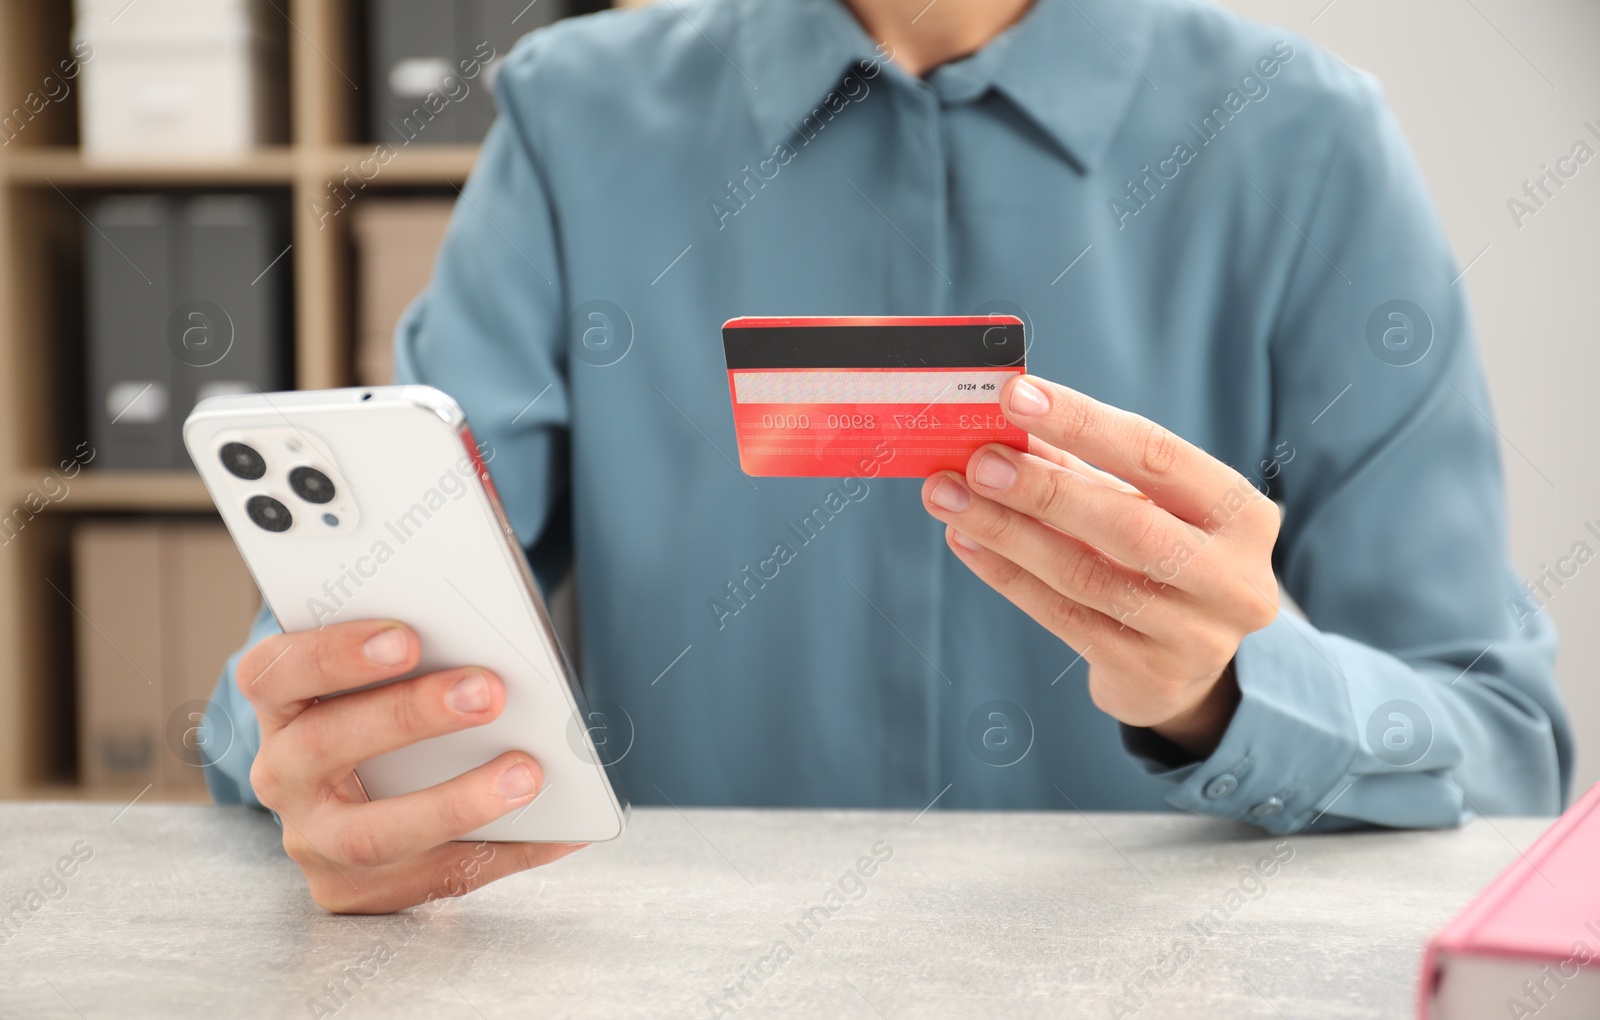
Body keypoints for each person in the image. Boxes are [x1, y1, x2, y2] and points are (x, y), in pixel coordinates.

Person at [203, 0, 1572, 913]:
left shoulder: (1308, 138)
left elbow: (1502, 757)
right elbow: (344, 637)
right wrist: (311, 738)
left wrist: (1233, 695)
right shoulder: (573, 120)